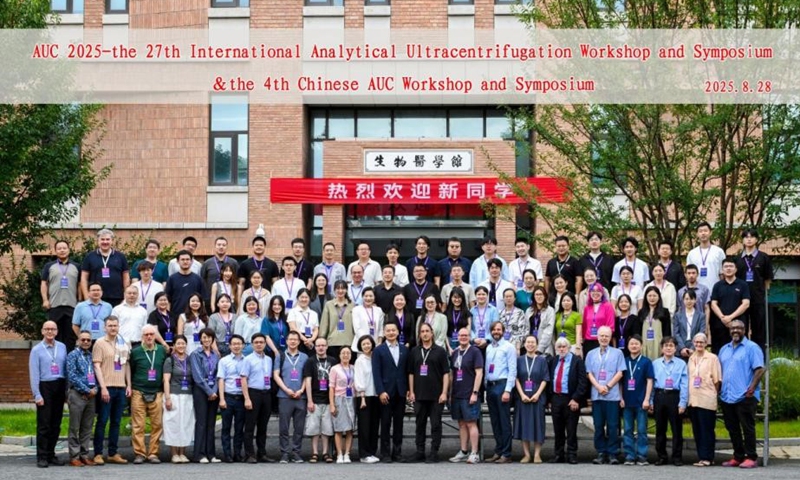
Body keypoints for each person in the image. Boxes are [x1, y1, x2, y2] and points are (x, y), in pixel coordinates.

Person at [719, 320, 764, 469]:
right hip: (727, 396)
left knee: (747, 428)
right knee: (732, 428)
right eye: (733, 328)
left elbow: (760, 369)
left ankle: (751, 457)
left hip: (745, 396)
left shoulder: (752, 348)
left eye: (739, 328)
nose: (735, 330)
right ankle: (738, 456)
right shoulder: (724, 349)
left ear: (745, 330)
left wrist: (751, 388)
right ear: (729, 330)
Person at [92, 315, 131, 465]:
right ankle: (98, 453)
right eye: (110, 325)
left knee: (116, 422)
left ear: (118, 327)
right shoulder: (100, 343)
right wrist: (103, 387)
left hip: (121, 388)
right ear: (105, 327)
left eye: (115, 325)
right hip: (106, 388)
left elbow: (126, 365)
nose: (113, 328)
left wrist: (128, 385)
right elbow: (96, 366)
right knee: (102, 421)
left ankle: (113, 453)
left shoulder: (124, 343)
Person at [408, 322, 450, 463]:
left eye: (427, 331)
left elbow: (446, 373)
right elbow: (411, 373)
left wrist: (444, 392)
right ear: (419, 335)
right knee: (419, 424)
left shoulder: (440, 351)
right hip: (419, 394)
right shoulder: (414, 351)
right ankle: (420, 451)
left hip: (436, 395)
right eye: (422, 331)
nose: (425, 334)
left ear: (432, 333)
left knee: (436, 424)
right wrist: (411, 391)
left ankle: (434, 452)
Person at [585, 325, 626, 465]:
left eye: (606, 336)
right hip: (597, 395)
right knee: (598, 425)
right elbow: (589, 373)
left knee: (613, 425)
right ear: (597, 337)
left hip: (612, 395)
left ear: (610, 338)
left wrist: (608, 386)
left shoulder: (618, 353)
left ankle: (613, 453)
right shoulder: (591, 354)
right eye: (601, 335)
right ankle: (601, 452)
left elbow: (620, 372)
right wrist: (598, 387)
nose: (604, 338)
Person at [30, 321, 68, 468]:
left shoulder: (62, 347)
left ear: (57, 331)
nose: (50, 331)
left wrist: (66, 390)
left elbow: (65, 368)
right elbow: (34, 373)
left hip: (59, 385)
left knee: (56, 424)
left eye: (53, 329)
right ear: (42, 331)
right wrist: (37, 395)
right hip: (45, 386)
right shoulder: (37, 350)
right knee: (44, 424)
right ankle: (42, 456)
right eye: (47, 329)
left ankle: (51, 454)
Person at [129, 324, 167, 464]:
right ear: (142, 337)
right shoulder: (135, 352)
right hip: (138, 391)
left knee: (157, 425)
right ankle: (139, 453)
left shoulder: (162, 350)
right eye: (146, 335)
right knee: (138, 425)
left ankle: (153, 453)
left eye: (152, 334)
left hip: (157, 392)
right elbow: (131, 369)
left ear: (155, 336)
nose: (149, 337)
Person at [372, 322, 409, 463]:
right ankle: (385, 453)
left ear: (398, 332)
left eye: (393, 330)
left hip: (401, 392)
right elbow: (376, 373)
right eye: (388, 330)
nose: (391, 333)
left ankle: (397, 453)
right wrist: (380, 391)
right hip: (386, 393)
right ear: (384, 333)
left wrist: (407, 389)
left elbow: (407, 371)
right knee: (385, 423)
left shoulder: (404, 349)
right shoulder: (378, 350)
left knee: (399, 424)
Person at [548, 337, 588, 465]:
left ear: (569, 348)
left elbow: (583, 382)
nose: (561, 349)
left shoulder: (577, 361)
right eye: (559, 347)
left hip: (571, 399)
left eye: (564, 346)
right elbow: (549, 380)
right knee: (558, 429)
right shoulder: (553, 361)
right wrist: (550, 399)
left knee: (571, 429)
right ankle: (558, 454)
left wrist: (576, 398)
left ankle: (572, 454)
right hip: (556, 398)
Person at [448, 328, 484, 465]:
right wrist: (450, 392)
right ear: (457, 337)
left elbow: (479, 373)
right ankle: (463, 451)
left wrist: (475, 393)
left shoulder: (475, 352)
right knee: (461, 423)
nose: (463, 337)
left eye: (466, 335)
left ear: (470, 337)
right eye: (461, 335)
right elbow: (453, 374)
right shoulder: (455, 353)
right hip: (457, 393)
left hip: (469, 394)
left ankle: (474, 453)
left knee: (471, 423)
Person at [651, 336, 689, 466]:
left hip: (674, 396)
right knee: (660, 428)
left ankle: (677, 457)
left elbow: (684, 384)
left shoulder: (681, 364)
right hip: (659, 395)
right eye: (666, 345)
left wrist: (683, 402)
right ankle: (661, 456)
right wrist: (651, 401)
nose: (668, 348)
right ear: (662, 348)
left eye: (671, 346)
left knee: (676, 429)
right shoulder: (655, 363)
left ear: (675, 348)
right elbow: (651, 383)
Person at [274, 331, 309, 463]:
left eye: (295, 339)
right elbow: (276, 375)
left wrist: (301, 390)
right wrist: (286, 390)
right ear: (287, 341)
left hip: (301, 396)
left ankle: (296, 452)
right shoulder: (280, 356)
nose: (293, 341)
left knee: (299, 427)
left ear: (299, 342)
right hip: (284, 396)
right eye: (290, 339)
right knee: (284, 427)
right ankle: (284, 453)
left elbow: (307, 376)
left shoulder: (305, 357)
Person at [687, 333, 722, 467]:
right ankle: (702, 457)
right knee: (697, 430)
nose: (699, 344)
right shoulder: (691, 358)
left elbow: (717, 380)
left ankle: (708, 457)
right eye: (696, 342)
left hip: (707, 399)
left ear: (706, 344)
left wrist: (713, 394)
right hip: (693, 399)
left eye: (701, 342)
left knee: (706, 429)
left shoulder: (712, 358)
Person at [735, 228, 773, 351]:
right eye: (746, 237)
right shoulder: (737, 259)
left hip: (758, 299)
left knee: (759, 329)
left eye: (752, 237)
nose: (749, 239)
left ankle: (759, 357)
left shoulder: (763, 257)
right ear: (742, 240)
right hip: (741, 301)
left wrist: (763, 293)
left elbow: (767, 279)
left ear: (756, 239)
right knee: (741, 328)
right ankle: (742, 354)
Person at [484, 321, 517, 464]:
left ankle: (506, 453)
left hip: (502, 385)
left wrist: (508, 390)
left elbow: (512, 370)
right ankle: (498, 450)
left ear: (503, 331)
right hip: (491, 386)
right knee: (495, 421)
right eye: (494, 329)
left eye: (499, 329)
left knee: (504, 421)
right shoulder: (489, 347)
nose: (496, 332)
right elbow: (487, 368)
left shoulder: (509, 347)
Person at [514, 335, 549, 464]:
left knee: (538, 425)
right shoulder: (519, 360)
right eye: (528, 342)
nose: (530, 344)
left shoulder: (542, 360)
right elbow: (516, 378)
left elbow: (545, 379)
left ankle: (537, 454)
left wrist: (538, 394)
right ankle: (527, 454)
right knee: (524, 425)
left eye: (533, 342)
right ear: (524, 344)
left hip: (537, 397)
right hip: (523, 397)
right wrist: (522, 394)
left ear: (537, 344)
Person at [240, 333, 274, 464]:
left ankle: (262, 453)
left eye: (261, 342)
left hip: (266, 394)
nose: (259, 344)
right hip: (253, 393)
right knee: (250, 426)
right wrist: (247, 398)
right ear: (252, 344)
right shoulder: (247, 359)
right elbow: (243, 379)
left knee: (263, 426)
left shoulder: (269, 359)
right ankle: (249, 454)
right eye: (256, 342)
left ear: (265, 344)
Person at [41, 240, 81, 351]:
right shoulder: (49, 266)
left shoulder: (76, 266)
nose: (62, 250)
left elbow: (79, 284)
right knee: (54, 334)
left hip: (72, 306)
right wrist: (45, 300)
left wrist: (80, 300)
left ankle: (69, 359)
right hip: (54, 305)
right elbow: (44, 283)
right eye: (59, 248)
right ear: (55, 251)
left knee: (71, 336)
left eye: (64, 248)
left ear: (69, 250)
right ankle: (55, 357)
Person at [620, 335, 653, 466]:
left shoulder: (646, 362)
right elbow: (620, 382)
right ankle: (629, 455)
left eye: (636, 343)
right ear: (628, 346)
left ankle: (641, 455)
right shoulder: (624, 361)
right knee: (627, 429)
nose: (634, 346)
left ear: (641, 345)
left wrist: (647, 399)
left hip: (641, 402)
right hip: (627, 401)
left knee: (641, 430)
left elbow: (649, 381)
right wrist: (621, 397)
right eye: (631, 344)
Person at [66, 330, 97, 467]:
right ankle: (74, 456)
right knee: (75, 427)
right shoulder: (72, 355)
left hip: (91, 396)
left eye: (88, 340)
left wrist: (95, 390)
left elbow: (97, 374)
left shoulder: (91, 356)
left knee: (87, 427)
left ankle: (84, 455)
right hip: (77, 394)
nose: (85, 342)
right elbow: (72, 376)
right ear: (78, 341)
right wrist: (86, 390)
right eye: (83, 339)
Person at [189, 328, 221, 463]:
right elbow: (197, 376)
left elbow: (218, 374)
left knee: (211, 423)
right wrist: (209, 391)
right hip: (201, 390)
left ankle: (211, 454)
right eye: (204, 337)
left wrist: (214, 391)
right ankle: (200, 454)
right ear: (200, 339)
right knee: (201, 422)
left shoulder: (216, 355)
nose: (207, 340)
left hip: (214, 390)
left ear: (213, 339)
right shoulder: (195, 354)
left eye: (209, 337)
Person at [162, 335, 194, 464]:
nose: (181, 346)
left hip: (188, 395)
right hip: (174, 395)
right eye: (178, 344)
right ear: (174, 345)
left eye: (183, 343)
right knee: (173, 423)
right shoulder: (170, 360)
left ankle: (183, 453)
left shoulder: (190, 359)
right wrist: (167, 398)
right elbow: (166, 380)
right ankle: (174, 453)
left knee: (186, 424)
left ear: (186, 345)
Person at [304, 338, 337, 464]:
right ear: (315, 347)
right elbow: (308, 381)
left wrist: (333, 402)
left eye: (323, 345)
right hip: (315, 399)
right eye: (318, 346)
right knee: (314, 428)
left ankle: (325, 452)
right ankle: (314, 452)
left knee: (327, 428)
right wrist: (309, 400)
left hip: (329, 400)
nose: (321, 348)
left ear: (327, 346)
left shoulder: (333, 361)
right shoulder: (310, 361)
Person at [81, 228, 130, 307]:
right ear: (98, 241)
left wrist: (125, 295)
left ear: (112, 241)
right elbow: (84, 278)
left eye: (107, 239)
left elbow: (126, 277)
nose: (105, 242)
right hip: (95, 297)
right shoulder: (89, 256)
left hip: (117, 298)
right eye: (102, 239)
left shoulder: (121, 257)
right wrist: (86, 297)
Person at [710, 259, 751, 353]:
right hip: (720, 324)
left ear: (736, 269)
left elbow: (746, 304)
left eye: (731, 266)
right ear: (722, 270)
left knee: (740, 350)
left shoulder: (743, 285)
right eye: (726, 266)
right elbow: (713, 304)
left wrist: (730, 318)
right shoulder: (717, 285)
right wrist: (722, 318)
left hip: (738, 324)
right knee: (719, 351)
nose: (728, 268)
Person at [216, 333, 246, 463]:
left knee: (239, 428)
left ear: (243, 345)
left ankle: (237, 453)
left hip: (241, 398)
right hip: (228, 397)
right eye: (234, 344)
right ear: (229, 346)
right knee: (226, 428)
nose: (236, 346)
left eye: (239, 344)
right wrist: (222, 399)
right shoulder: (224, 361)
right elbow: (221, 380)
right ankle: (227, 454)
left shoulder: (247, 360)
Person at [353, 335, 380, 464]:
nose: (366, 346)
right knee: (364, 426)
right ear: (360, 346)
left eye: (368, 343)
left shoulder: (375, 358)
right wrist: (362, 396)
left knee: (374, 425)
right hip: (364, 397)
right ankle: (364, 454)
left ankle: (372, 452)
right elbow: (358, 379)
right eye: (363, 344)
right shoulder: (360, 360)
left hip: (375, 395)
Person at [329, 346, 357, 463]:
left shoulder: (354, 368)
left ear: (351, 355)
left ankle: (347, 454)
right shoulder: (335, 369)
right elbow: (331, 387)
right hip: (339, 399)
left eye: (348, 353)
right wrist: (332, 404)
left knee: (350, 429)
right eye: (343, 353)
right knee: (339, 429)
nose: (345, 355)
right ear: (339, 355)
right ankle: (339, 454)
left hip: (351, 400)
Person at [686, 221, 727, 293]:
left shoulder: (719, 251)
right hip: (696, 293)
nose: (703, 233)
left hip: (714, 291)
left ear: (710, 233)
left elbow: (722, 274)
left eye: (705, 231)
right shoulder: (692, 253)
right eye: (700, 231)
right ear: (697, 234)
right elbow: (688, 274)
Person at [319, 280, 355, 359]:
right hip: (333, 342)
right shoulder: (329, 304)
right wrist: (321, 340)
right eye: (338, 288)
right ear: (334, 290)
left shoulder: (352, 305)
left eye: (343, 288)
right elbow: (324, 324)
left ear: (346, 290)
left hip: (348, 342)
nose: (340, 291)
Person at [165, 250, 207, 317]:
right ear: (178, 261)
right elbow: (167, 300)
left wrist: (202, 316)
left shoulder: (198, 279)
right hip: (175, 316)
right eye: (182, 259)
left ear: (191, 261)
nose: (185, 262)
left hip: (194, 316)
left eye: (187, 259)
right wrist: (168, 317)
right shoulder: (171, 279)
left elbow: (203, 300)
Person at [200, 236, 239, 305]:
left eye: (224, 245)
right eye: (219, 245)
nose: (221, 247)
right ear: (215, 246)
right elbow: (202, 281)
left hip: (229, 301)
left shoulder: (233, 262)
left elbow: (237, 280)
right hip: (210, 300)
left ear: (227, 247)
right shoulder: (207, 263)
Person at [640, 286, 672, 360]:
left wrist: (665, 346)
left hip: (658, 344)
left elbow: (667, 332)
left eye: (654, 296)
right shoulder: (641, 312)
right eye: (649, 296)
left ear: (659, 297)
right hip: (645, 344)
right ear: (646, 297)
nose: (652, 298)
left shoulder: (664, 312)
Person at [673, 289, 707, 360]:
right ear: (683, 300)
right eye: (686, 299)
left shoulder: (701, 316)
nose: (689, 301)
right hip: (680, 349)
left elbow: (701, 332)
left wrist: (693, 348)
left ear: (695, 300)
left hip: (696, 348)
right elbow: (676, 333)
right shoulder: (677, 315)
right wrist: (682, 348)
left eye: (691, 299)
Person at [582, 283, 615, 353]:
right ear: (589, 293)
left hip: (603, 341)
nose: (595, 293)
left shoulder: (608, 306)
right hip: (588, 342)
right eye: (593, 291)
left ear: (602, 293)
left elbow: (610, 325)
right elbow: (584, 325)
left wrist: (605, 338)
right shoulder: (587, 307)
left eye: (598, 291)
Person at [112, 285, 148, 349]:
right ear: (124, 294)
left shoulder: (143, 311)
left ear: (138, 295)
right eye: (129, 293)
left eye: (134, 293)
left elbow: (145, 328)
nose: (132, 295)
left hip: (138, 344)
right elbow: (113, 327)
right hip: (121, 344)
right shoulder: (117, 309)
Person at [288, 288, 320, 355]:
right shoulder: (292, 312)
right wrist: (305, 339)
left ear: (309, 299)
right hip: (298, 340)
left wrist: (311, 339)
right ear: (297, 298)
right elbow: (293, 328)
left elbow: (316, 329)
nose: (304, 299)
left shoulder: (314, 313)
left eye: (306, 297)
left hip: (311, 341)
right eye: (302, 297)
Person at [352, 287, 384, 352]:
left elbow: (381, 328)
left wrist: (379, 342)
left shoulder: (379, 310)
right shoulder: (356, 310)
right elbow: (357, 329)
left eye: (371, 296)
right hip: (362, 345)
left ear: (374, 297)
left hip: (376, 345)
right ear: (362, 297)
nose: (368, 298)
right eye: (366, 296)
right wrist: (367, 343)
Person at [527, 286, 556, 356]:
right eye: (536, 295)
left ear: (545, 296)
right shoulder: (529, 310)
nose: (539, 297)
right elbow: (526, 328)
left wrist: (539, 349)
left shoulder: (550, 310)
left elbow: (549, 331)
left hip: (545, 348)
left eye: (541, 294)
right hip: (530, 346)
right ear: (533, 297)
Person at [470, 286, 499, 350]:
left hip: (490, 343)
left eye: (483, 294)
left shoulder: (493, 310)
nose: (481, 296)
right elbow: (470, 328)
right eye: (479, 294)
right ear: (475, 296)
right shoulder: (472, 310)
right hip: (475, 344)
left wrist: (486, 340)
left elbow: (495, 327)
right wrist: (474, 339)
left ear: (487, 295)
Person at [553, 292, 582, 356]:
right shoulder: (557, 315)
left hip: (572, 345)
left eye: (568, 300)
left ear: (573, 302)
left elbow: (578, 333)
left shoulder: (577, 315)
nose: (566, 302)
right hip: (559, 346)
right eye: (563, 301)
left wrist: (578, 347)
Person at [444, 287, 472, 351]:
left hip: (463, 341)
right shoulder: (446, 313)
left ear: (462, 298)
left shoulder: (467, 313)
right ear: (451, 298)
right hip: (449, 342)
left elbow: (468, 330)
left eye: (459, 297)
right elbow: (444, 332)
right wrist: (449, 347)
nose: (457, 300)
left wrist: (461, 345)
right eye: (455, 297)